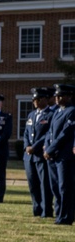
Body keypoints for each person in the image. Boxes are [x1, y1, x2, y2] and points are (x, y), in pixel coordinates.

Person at [44, 84, 75, 225]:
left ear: (69, 96)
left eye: (60, 96)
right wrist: (46, 147)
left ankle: (66, 216)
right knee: (55, 186)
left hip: (64, 156)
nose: (56, 98)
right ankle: (59, 214)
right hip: (54, 155)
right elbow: (50, 132)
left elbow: (65, 134)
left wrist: (50, 149)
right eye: (56, 95)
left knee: (64, 187)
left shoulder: (71, 111)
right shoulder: (57, 111)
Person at [22, 87, 55, 218]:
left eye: (37, 99)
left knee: (44, 184)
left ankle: (46, 211)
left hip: (41, 155)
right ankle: (36, 209)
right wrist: (26, 146)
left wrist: (35, 147)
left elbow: (48, 134)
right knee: (33, 184)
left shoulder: (51, 115)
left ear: (44, 100)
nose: (34, 102)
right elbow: (26, 132)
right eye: (33, 99)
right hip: (29, 156)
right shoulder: (32, 115)